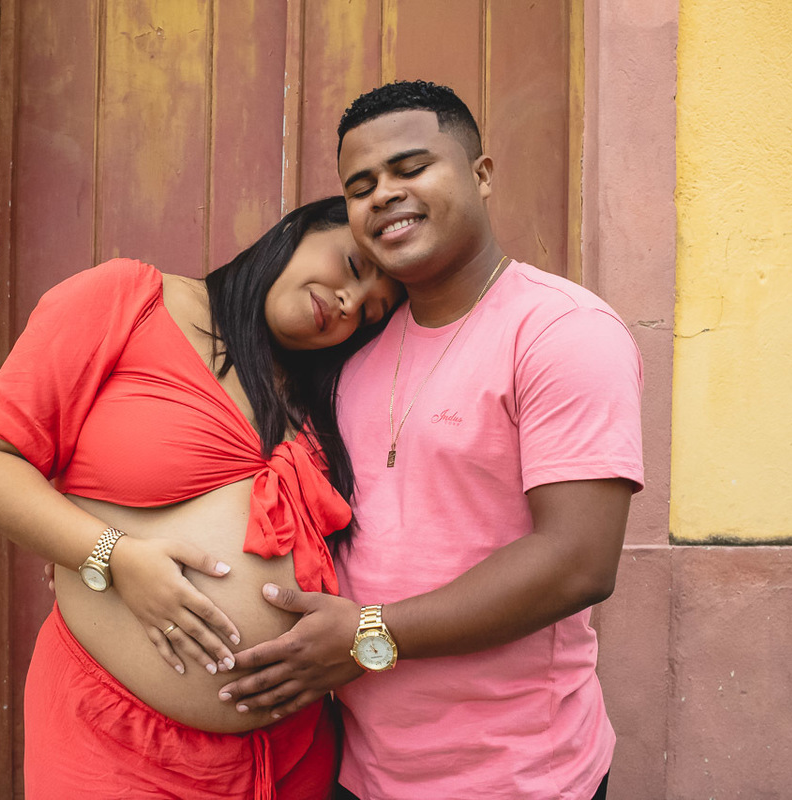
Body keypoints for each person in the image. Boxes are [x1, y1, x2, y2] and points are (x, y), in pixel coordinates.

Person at [216, 81, 644, 800]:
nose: (383, 194)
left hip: (516, 777)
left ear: (481, 174)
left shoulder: (561, 331)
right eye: (360, 186)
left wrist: (367, 633)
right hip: (361, 769)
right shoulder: (353, 352)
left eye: (411, 169)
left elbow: (577, 562)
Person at [0, 196, 403, 799]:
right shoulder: (128, 299)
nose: (350, 302)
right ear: (296, 230)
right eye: (351, 265)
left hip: (292, 758)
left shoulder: (326, 394)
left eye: (370, 312)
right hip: (117, 744)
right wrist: (116, 556)